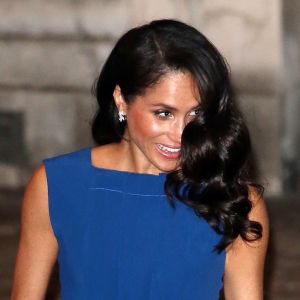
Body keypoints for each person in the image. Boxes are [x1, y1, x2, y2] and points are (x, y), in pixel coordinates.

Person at [11, 19, 269, 300]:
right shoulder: (56, 184)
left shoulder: (234, 200)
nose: (181, 134)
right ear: (121, 100)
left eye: (194, 114)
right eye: (163, 113)